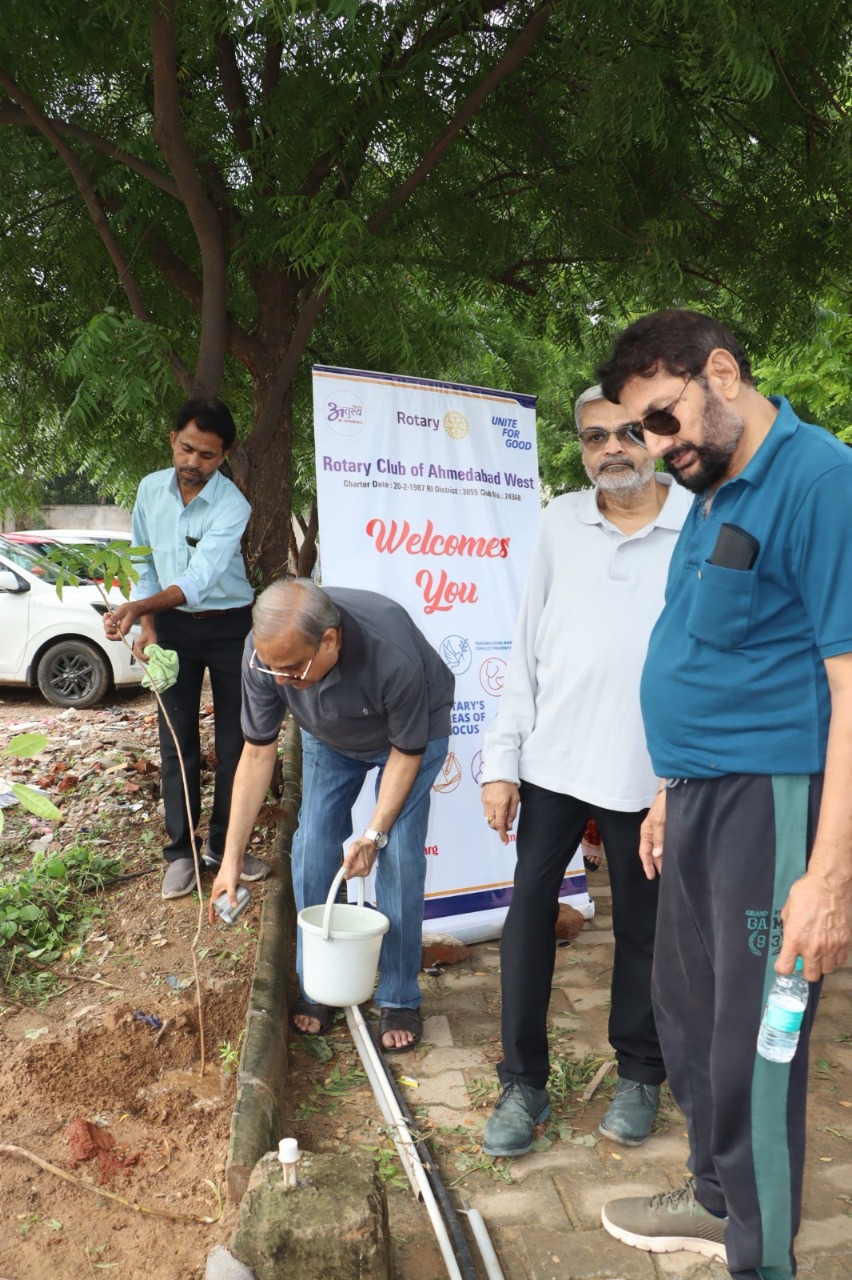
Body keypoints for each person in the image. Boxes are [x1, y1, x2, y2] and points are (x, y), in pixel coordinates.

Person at [595, 310, 852, 1279]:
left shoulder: (820, 481)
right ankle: (715, 1199)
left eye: (663, 418)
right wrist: (669, 789)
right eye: (639, 430)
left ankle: (762, 1256)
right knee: (685, 1011)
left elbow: (850, 686)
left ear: (724, 373)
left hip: (771, 803)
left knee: (757, 1045)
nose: (657, 445)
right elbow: (699, 646)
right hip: (700, 799)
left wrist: (828, 878)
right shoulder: (709, 491)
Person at [480, 386, 692, 1157]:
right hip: (554, 761)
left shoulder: (697, 522)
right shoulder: (560, 522)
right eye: (596, 436)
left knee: (645, 926)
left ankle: (640, 1073)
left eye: (629, 432)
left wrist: (681, 774)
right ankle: (522, 1083)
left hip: (651, 771)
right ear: (581, 447)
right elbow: (524, 645)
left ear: (658, 437)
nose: (613, 448)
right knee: (527, 917)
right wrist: (501, 761)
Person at [208, 578, 454, 1052]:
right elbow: (257, 754)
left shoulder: (390, 652)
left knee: (400, 854)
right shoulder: (266, 653)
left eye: (292, 670)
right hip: (328, 734)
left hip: (409, 736)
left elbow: (407, 752)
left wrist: (372, 836)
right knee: (313, 844)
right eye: (272, 668)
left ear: (329, 640)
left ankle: (399, 995)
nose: (280, 679)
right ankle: (319, 982)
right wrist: (231, 861)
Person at [104, 398, 268, 898]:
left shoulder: (233, 505)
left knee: (236, 743)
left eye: (207, 455)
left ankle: (223, 846)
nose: (193, 462)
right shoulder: (149, 490)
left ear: (225, 456)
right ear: (173, 439)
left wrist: (138, 606)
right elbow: (144, 561)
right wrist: (148, 624)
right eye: (187, 448)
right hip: (171, 628)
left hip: (230, 628)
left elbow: (199, 579)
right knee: (177, 740)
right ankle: (181, 853)